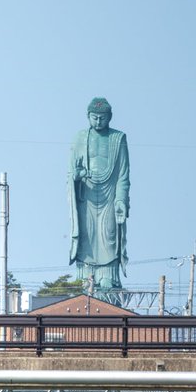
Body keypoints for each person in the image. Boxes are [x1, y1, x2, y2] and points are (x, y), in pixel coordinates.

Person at [68, 97, 129, 292]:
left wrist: (121, 199)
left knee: (109, 233)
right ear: (88, 117)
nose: (98, 122)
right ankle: (85, 276)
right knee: (88, 234)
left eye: (102, 118)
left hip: (110, 195)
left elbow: (123, 175)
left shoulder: (118, 139)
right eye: (94, 118)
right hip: (86, 193)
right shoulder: (79, 138)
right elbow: (71, 173)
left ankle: (107, 276)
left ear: (110, 117)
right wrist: (77, 177)